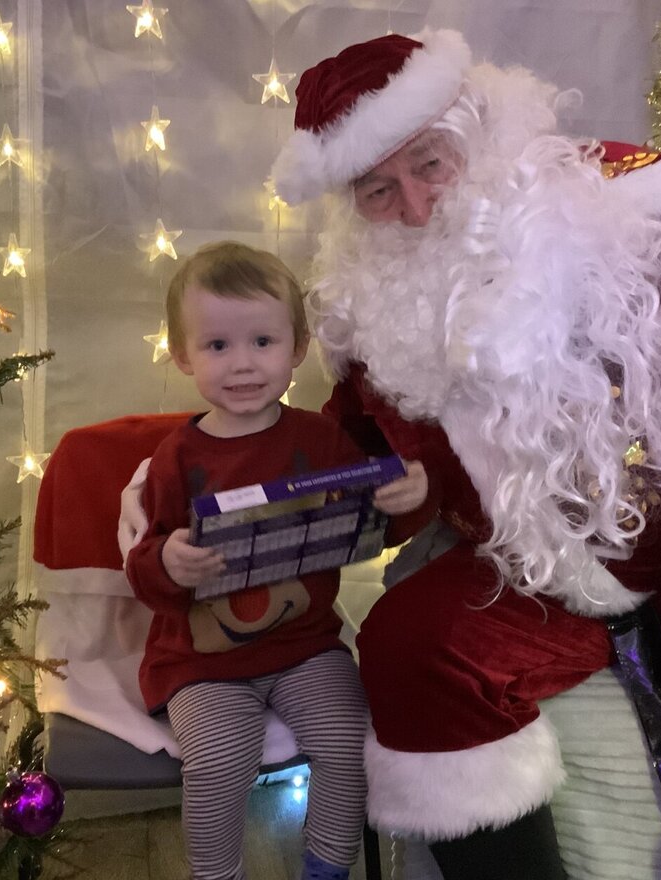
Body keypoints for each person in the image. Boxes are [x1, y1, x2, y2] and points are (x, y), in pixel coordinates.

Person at [268, 30, 661, 880]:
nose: (414, 207)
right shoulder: (374, 308)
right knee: (411, 644)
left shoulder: (642, 198)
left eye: (430, 164)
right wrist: (375, 492)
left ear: (476, 125)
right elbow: (381, 475)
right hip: (534, 573)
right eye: (378, 190)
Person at [124, 241, 429, 880]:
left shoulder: (320, 440)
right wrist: (169, 563)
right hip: (202, 661)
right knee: (216, 760)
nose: (243, 364)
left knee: (349, 744)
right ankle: (217, 874)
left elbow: (372, 524)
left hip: (306, 646)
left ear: (296, 349)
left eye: (263, 342)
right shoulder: (176, 456)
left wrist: (408, 498)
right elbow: (146, 562)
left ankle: (326, 867)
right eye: (217, 346)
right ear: (183, 355)